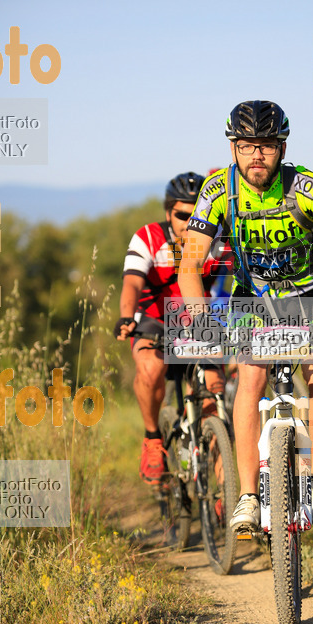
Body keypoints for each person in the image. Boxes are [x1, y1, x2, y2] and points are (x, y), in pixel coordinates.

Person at [177, 100, 313, 533]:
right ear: (233, 148)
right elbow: (189, 264)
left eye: (267, 146)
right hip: (253, 302)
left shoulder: (304, 186)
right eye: (248, 145)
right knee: (250, 378)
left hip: (309, 299)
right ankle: (249, 496)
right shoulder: (217, 190)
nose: (257, 156)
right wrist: (198, 318)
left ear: (282, 149)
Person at [114, 172, 230, 485]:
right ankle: (153, 439)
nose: (189, 222)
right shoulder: (148, 238)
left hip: (197, 323)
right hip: (155, 321)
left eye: (197, 215)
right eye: (182, 215)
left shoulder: (215, 241)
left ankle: (225, 491)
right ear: (168, 213)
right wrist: (127, 317)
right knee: (150, 368)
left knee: (214, 397)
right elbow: (132, 285)